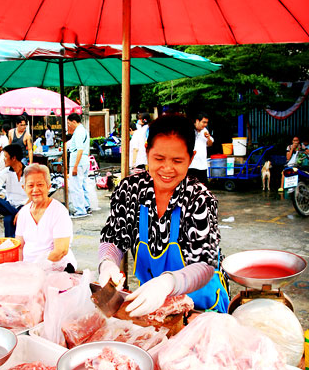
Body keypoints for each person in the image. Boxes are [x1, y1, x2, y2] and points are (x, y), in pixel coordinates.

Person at [98, 114, 229, 315]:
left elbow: (205, 264)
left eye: (177, 160)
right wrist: (108, 263)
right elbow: (114, 238)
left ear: (191, 158)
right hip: (154, 306)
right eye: (159, 158)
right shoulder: (130, 190)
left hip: (202, 310)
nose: (167, 169)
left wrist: (168, 283)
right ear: (147, 151)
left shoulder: (199, 199)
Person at [16, 164, 77, 270]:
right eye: (30, 185)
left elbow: (60, 251)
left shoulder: (59, 211)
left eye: (40, 184)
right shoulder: (23, 213)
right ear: (24, 188)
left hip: (57, 267)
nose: (35, 190)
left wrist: (36, 269)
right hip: (29, 269)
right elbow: (19, 247)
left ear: (48, 186)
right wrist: (21, 269)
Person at [0, 144, 29, 237]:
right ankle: (17, 216)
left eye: (5, 156)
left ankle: (10, 244)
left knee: (8, 219)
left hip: (25, 205)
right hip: (10, 205)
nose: (3, 159)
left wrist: (22, 211)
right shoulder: (5, 172)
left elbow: (34, 196)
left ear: (13, 158)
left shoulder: (28, 172)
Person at [67, 113, 90, 218]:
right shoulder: (82, 130)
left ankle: (80, 210)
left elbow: (80, 149)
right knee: (83, 185)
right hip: (83, 161)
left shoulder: (79, 132)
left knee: (76, 186)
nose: (68, 125)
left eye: (69, 123)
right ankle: (86, 206)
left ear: (74, 122)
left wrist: (75, 166)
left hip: (78, 161)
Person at [187, 112, 213, 185]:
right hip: (190, 165)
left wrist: (208, 138)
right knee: (190, 188)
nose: (205, 125)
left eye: (206, 123)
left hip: (202, 165)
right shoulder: (189, 130)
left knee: (203, 189)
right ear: (197, 121)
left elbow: (210, 144)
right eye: (203, 122)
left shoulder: (205, 131)